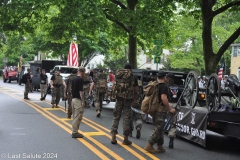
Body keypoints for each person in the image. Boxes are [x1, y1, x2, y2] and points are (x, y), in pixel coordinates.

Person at [144, 71, 175, 154]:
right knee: (158, 128)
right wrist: (170, 108)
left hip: (154, 109)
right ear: (164, 77)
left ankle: (160, 146)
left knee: (161, 128)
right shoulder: (164, 86)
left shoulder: (155, 85)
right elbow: (163, 98)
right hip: (161, 110)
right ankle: (149, 145)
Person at [110, 63, 138, 145]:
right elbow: (136, 90)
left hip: (119, 98)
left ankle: (113, 137)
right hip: (128, 100)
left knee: (116, 117)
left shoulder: (119, 74)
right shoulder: (133, 76)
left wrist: (114, 95)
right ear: (131, 69)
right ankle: (125, 139)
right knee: (126, 118)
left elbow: (114, 86)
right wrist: (133, 99)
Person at [165, 73, 181, 149]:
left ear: (168, 79)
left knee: (162, 121)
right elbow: (181, 98)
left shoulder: (165, 87)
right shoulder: (178, 88)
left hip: (167, 105)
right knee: (173, 123)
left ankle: (159, 140)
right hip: (175, 105)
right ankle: (171, 141)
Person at [71, 66, 85, 138]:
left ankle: (74, 130)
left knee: (75, 116)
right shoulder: (80, 79)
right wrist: (83, 101)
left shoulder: (74, 79)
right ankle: (75, 132)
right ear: (82, 72)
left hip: (73, 99)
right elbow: (81, 91)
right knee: (78, 116)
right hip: (77, 100)